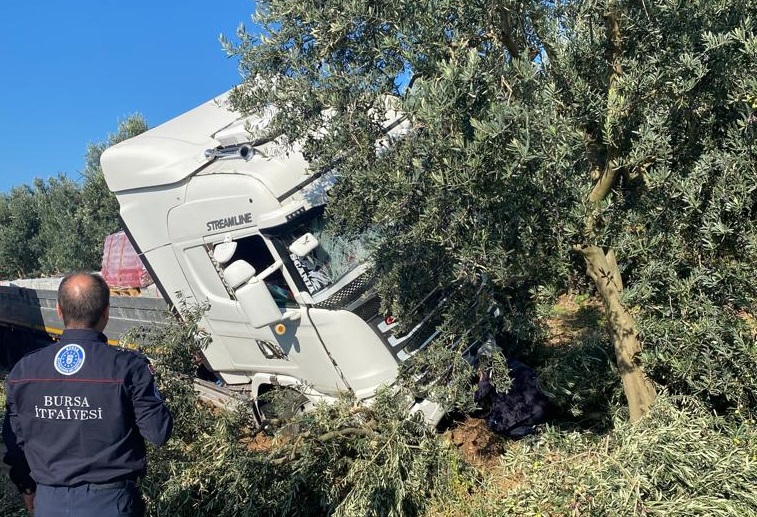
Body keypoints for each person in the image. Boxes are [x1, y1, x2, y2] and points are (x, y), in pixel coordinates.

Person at [2, 272, 173, 516]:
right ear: (106, 312)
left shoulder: (24, 370)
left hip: (50, 503)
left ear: (59, 311)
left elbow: (14, 440)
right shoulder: (129, 368)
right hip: (111, 503)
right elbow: (159, 433)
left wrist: (27, 487)